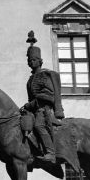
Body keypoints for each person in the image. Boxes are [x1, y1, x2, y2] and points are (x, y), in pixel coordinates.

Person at [20, 32, 64, 162]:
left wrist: (31, 104)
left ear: (40, 61)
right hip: (34, 110)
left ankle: (50, 153)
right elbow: (31, 99)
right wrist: (27, 108)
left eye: (33, 60)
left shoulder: (45, 75)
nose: (31, 62)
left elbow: (48, 95)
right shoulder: (30, 80)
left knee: (39, 126)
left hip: (45, 110)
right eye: (29, 60)